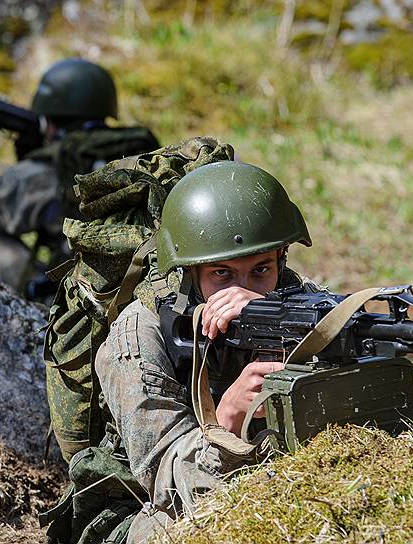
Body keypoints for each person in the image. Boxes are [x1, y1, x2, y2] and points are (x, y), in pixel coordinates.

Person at [55, 160, 313, 544]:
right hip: (142, 507)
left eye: (261, 270)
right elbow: (169, 483)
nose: (243, 293)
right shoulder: (138, 336)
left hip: (266, 481)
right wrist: (227, 417)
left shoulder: (298, 302)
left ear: (281, 260)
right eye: (221, 274)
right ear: (190, 274)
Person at [0, 59, 159, 302]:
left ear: (48, 116)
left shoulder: (51, 167)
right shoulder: (136, 150)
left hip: (77, 306)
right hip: (144, 293)